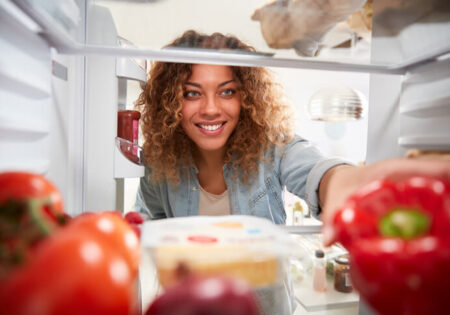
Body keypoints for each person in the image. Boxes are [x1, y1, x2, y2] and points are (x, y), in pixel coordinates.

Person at [133, 30, 450, 313]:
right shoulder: (160, 162)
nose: (211, 108)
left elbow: (316, 170)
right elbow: (152, 219)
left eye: (227, 91)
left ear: (246, 97)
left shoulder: (272, 147)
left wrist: (342, 181)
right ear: (170, 101)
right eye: (192, 93)